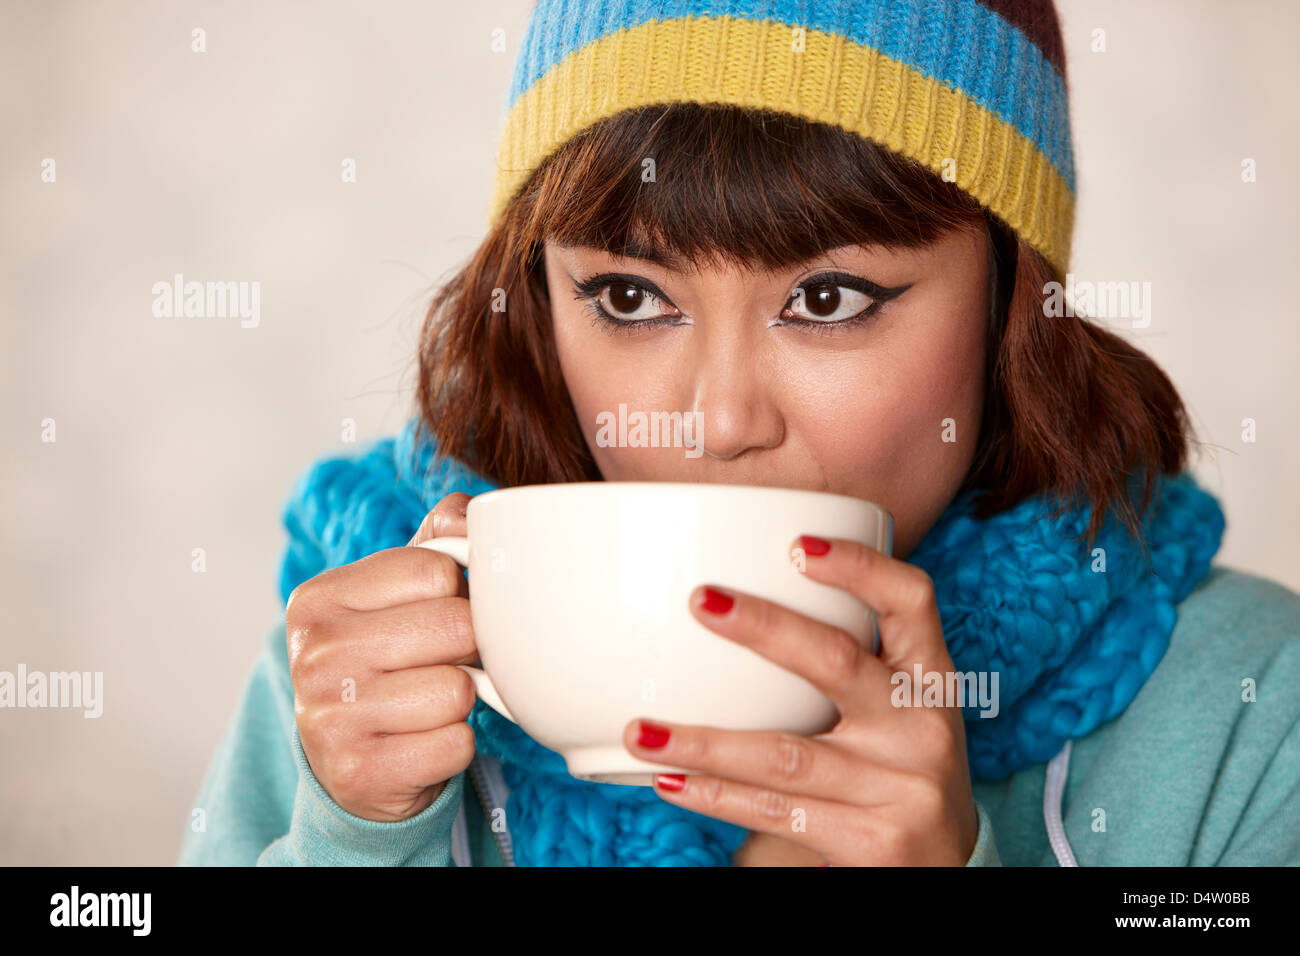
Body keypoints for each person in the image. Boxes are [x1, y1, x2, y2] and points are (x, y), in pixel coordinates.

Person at [179, 0, 1300, 867]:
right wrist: (358, 839)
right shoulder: (366, 667)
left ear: (1011, 300)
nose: (717, 421)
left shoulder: (1253, 708)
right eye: (626, 296)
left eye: (827, 299)